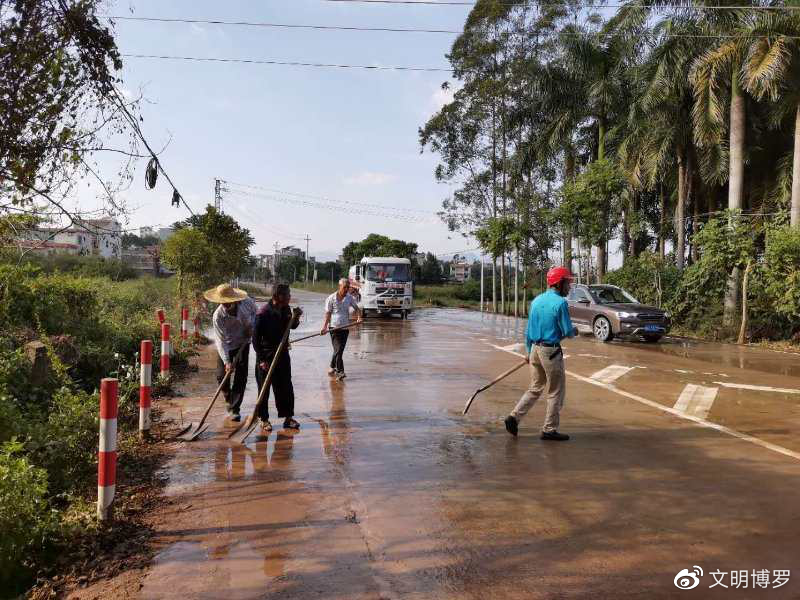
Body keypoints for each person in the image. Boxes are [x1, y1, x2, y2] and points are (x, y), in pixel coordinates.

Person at [504, 266, 578, 441]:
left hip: (535, 349)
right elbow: (567, 331)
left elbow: (529, 330)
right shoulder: (560, 303)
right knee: (555, 391)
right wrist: (575, 330)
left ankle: (514, 417)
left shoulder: (536, 300)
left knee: (535, 388)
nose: (569, 287)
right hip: (551, 351)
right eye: (567, 283)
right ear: (559, 284)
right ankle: (549, 429)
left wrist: (529, 352)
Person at [252, 284, 302, 431]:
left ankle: (288, 418)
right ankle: (264, 419)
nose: (289, 297)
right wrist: (261, 360)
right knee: (264, 389)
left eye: (289, 294)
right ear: (276, 297)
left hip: (282, 354)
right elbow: (255, 340)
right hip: (266, 356)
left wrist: (296, 317)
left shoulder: (286, 309)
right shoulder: (263, 313)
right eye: (286, 295)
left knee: (285, 387)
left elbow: (292, 326)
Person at [205, 283, 258, 422]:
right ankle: (229, 398)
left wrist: (251, 327)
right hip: (227, 344)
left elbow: (256, 314)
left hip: (243, 342)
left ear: (235, 299)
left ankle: (235, 409)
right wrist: (227, 361)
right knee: (221, 376)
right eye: (223, 302)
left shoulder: (247, 303)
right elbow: (220, 341)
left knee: (241, 376)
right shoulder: (218, 316)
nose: (226, 305)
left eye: (229, 302)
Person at [320, 278, 362, 380]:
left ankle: (332, 366)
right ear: (340, 286)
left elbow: (357, 309)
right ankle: (340, 372)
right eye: (345, 287)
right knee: (338, 350)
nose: (347, 289)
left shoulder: (349, 298)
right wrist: (324, 327)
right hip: (333, 328)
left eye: (348, 287)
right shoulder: (331, 298)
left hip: (345, 328)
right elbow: (328, 314)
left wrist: (359, 317)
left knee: (339, 350)